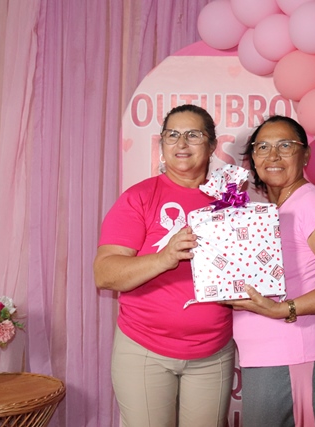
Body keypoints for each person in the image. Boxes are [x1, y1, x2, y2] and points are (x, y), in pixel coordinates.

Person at [93, 104, 235, 427]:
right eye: (172, 135)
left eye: (193, 135)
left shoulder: (230, 202)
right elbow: (104, 274)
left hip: (212, 352)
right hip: (144, 349)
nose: (181, 143)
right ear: (162, 144)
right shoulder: (139, 197)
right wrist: (164, 258)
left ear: (212, 145)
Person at [227, 115, 315, 427]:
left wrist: (284, 309)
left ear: (305, 156)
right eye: (262, 147)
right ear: (253, 159)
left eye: (285, 146)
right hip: (267, 359)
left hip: (291, 358)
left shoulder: (310, 205)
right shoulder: (276, 209)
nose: (273, 156)